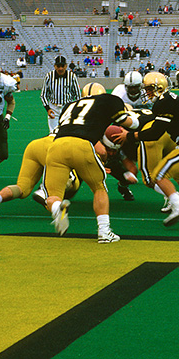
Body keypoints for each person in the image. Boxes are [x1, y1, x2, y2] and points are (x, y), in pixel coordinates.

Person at [42, 82, 138, 243]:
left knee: (53, 196)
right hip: (81, 144)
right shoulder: (108, 100)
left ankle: (56, 208)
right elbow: (128, 123)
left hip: (56, 146)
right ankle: (104, 231)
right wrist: (136, 120)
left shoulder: (69, 105)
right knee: (99, 188)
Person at [115, 72, 179, 226]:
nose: (146, 93)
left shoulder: (163, 101)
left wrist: (130, 136)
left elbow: (155, 132)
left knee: (158, 174)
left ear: (159, 87)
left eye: (149, 89)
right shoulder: (172, 98)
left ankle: (178, 206)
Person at [0, 134, 80, 219]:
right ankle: (43, 192)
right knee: (73, 181)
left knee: (23, 187)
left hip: (37, 145)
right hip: (58, 149)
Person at [40, 55, 80, 132]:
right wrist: (48, 109)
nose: (60, 68)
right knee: (53, 133)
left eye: (62, 66)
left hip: (67, 107)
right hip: (53, 107)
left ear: (66, 66)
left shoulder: (71, 76)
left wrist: (75, 109)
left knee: (67, 132)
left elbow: (77, 94)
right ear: (55, 66)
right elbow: (43, 95)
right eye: (58, 66)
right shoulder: (49, 76)